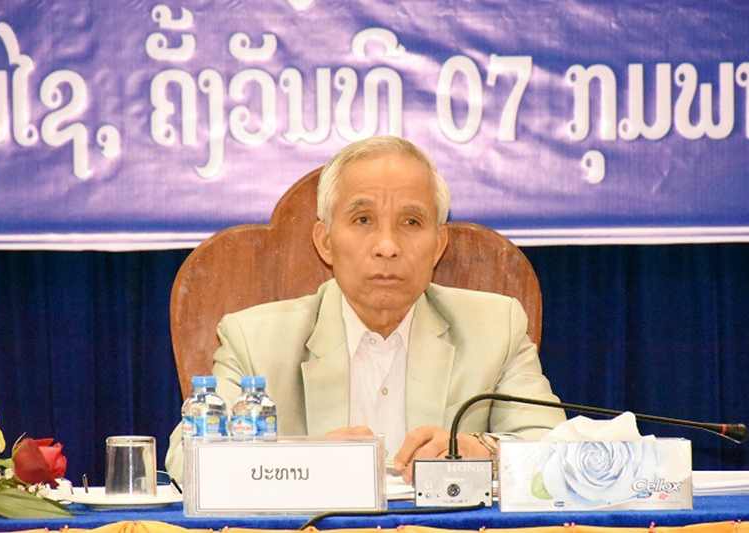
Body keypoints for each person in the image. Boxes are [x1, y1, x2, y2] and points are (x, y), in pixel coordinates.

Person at [165, 136, 566, 482]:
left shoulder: (495, 327)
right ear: (325, 242)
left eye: (411, 222)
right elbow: (188, 461)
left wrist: (481, 452)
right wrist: (308, 462)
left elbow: (556, 452)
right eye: (362, 219)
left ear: (438, 246)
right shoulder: (255, 340)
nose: (387, 246)